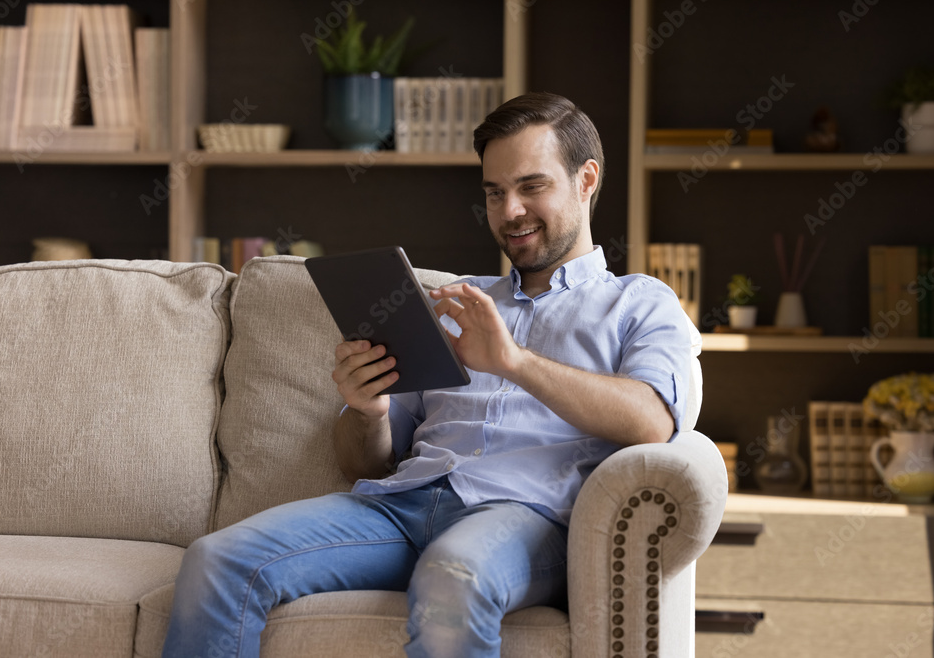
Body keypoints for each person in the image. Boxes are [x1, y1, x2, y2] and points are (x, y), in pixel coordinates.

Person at [161, 92, 695, 658]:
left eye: (531, 186)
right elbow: (363, 462)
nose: (510, 210)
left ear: (586, 180)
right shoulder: (452, 302)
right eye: (494, 193)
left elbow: (653, 422)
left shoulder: (639, 303)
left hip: (525, 518)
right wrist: (366, 410)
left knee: (452, 577)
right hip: (402, 505)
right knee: (217, 561)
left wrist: (514, 361)